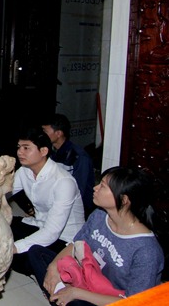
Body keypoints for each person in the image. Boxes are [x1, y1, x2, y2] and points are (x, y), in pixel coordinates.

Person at [29, 167, 164, 305]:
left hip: (111, 299)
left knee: (74, 302)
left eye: (103, 186)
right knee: (36, 252)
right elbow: (76, 244)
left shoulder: (146, 250)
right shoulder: (100, 215)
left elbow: (134, 302)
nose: (95, 188)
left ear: (124, 200)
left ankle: (59, 295)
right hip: (87, 280)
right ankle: (59, 293)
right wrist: (53, 268)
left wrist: (76, 293)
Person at [10, 128, 85, 276]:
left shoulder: (63, 182)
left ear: (43, 151)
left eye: (26, 148)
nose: (20, 152)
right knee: (1, 226)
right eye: (19, 147)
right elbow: (4, 191)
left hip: (64, 239)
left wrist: (15, 247)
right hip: (39, 225)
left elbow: (52, 232)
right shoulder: (24, 171)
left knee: (25, 256)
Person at [42, 114, 95, 217]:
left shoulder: (79, 156)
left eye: (45, 132)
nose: (42, 135)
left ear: (58, 133)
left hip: (77, 211)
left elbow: (79, 189)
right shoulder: (50, 152)